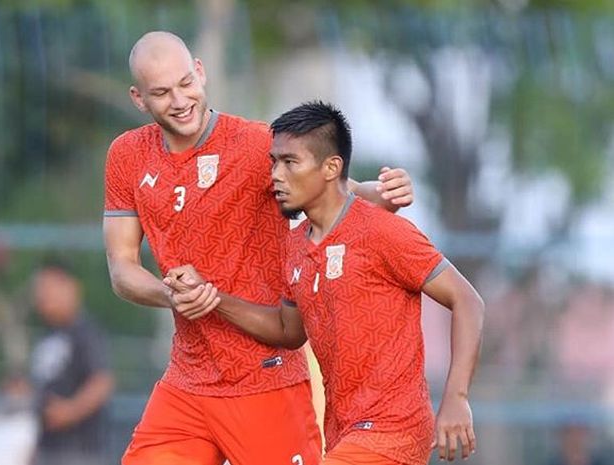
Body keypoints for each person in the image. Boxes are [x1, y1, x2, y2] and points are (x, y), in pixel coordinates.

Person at [103, 31, 414, 465]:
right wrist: (172, 295)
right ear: (139, 98)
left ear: (200, 71)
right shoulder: (127, 155)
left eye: (185, 84)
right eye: (161, 92)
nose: (178, 100)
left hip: (264, 377)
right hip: (186, 384)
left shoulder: (254, 145)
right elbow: (121, 269)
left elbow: (338, 191)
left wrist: (386, 193)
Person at [165, 101, 485, 465]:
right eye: (273, 162)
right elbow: (288, 331)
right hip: (343, 434)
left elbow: (467, 300)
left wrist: (456, 397)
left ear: (331, 167)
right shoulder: (295, 243)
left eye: (290, 162)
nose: (276, 175)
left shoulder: (381, 231)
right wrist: (213, 299)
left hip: (393, 432)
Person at [29, 260, 115, 465]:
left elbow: (102, 383)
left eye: (48, 288)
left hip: (80, 451)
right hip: (48, 448)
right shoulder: (46, 334)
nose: (42, 296)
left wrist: (70, 411)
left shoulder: (85, 332)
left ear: (70, 288)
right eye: (39, 289)